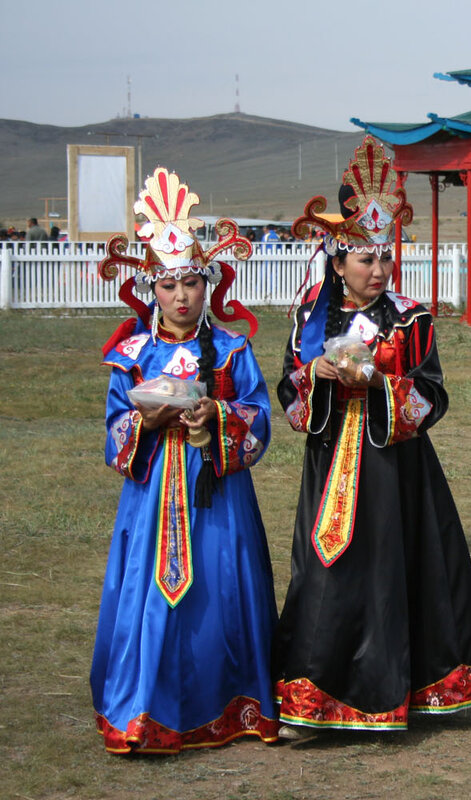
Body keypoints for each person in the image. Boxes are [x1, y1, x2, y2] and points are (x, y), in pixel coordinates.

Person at [275, 136, 471, 737]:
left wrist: (381, 381)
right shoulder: (308, 317)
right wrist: (314, 375)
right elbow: (290, 396)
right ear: (337, 261)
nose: (378, 270)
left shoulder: (411, 318)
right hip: (330, 463)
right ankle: (313, 697)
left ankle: (405, 690)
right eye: (364, 259)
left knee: (394, 571)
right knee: (323, 570)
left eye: (384, 257)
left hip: (395, 466)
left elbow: (431, 395)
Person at [91, 168, 277, 754]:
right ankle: (145, 708)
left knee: (221, 594)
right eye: (169, 286)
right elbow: (112, 434)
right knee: (149, 598)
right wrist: (143, 424)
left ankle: (231, 705)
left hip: (217, 498)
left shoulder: (231, 349)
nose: (180, 297)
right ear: (152, 288)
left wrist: (216, 418)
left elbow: (260, 420)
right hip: (150, 502)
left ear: (207, 286)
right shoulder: (131, 356)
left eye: (191, 284)